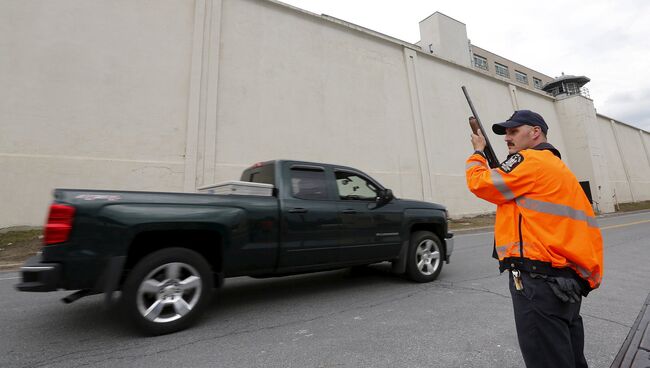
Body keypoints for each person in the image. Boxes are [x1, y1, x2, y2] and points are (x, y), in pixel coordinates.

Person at [465, 110, 604, 368]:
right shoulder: (555, 166)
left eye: (513, 131)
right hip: (566, 281)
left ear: (535, 132)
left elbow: (480, 183)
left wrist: (477, 153)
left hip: (539, 284)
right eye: (505, 132)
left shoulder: (530, 161)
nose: (507, 137)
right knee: (569, 359)